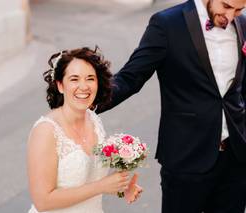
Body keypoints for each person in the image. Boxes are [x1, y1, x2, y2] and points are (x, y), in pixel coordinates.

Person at [97, 0, 246, 212]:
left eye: (239, 9)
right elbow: (131, 77)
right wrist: (86, 102)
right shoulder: (167, 24)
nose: (231, 17)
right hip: (186, 156)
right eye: (226, 6)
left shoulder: (243, 24)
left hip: (235, 158)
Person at [27, 47, 142, 213]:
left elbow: (90, 179)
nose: (84, 86)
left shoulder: (93, 120)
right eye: (74, 79)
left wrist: (120, 187)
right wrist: (101, 186)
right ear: (60, 85)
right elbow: (43, 201)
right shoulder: (46, 131)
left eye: (90, 79)